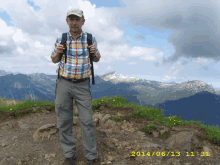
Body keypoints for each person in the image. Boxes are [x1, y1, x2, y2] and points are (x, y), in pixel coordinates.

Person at [50, 8, 101, 165]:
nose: (74, 22)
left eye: (77, 19)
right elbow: (53, 59)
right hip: (64, 83)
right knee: (64, 120)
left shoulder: (90, 39)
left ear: (82, 22)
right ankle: (69, 155)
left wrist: (95, 53)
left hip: (83, 84)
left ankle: (91, 157)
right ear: (67, 21)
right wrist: (57, 53)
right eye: (71, 19)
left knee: (86, 121)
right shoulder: (62, 38)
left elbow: (97, 58)